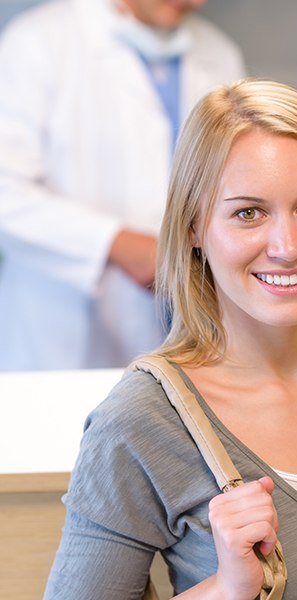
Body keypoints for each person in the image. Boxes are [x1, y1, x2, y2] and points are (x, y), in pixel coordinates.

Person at [43, 79, 297, 599]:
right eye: (248, 213)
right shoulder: (140, 421)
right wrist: (227, 589)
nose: (288, 246)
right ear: (194, 228)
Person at [0, 0, 245, 371]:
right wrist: (120, 244)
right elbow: (7, 191)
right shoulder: (37, 44)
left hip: (186, 325)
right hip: (60, 335)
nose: (196, 3)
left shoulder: (218, 53)